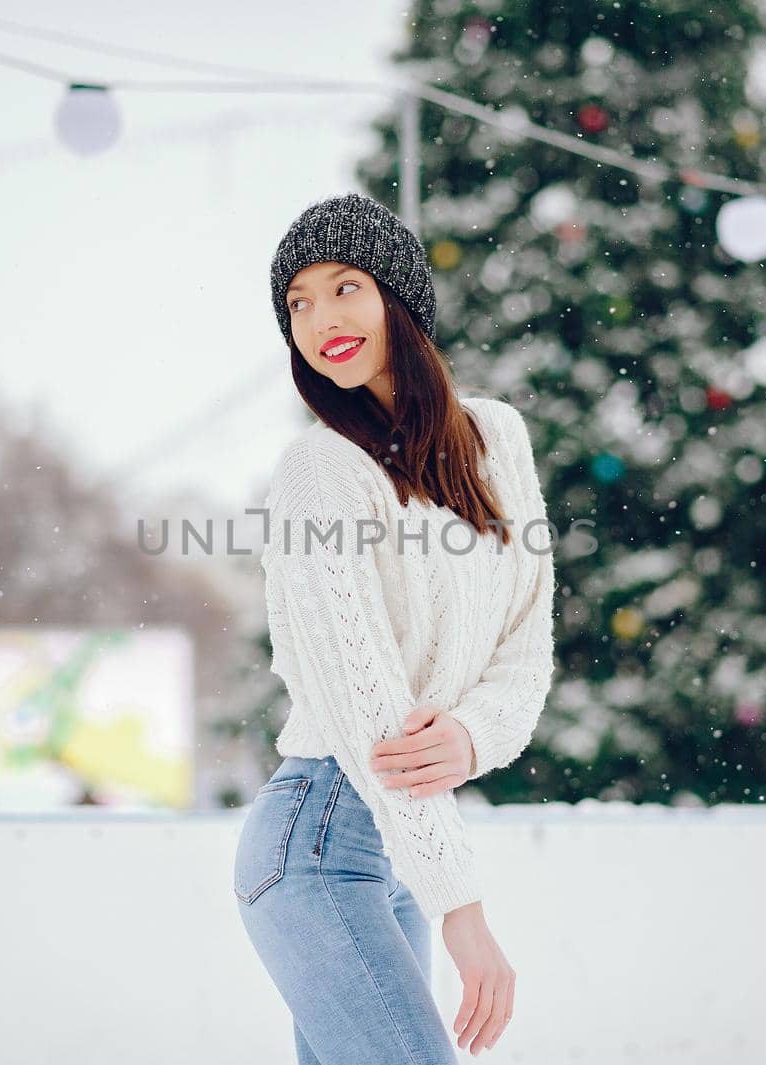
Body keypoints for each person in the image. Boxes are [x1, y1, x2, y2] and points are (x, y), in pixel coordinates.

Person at [232, 190, 557, 1063]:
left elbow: (527, 642)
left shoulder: (497, 440)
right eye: (297, 303)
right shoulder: (318, 471)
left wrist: (473, 731)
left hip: (400, 841)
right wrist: (464, 909)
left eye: (345, 287)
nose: (320, 318)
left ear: (399, 296)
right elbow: (372, 718)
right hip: (319, 838)